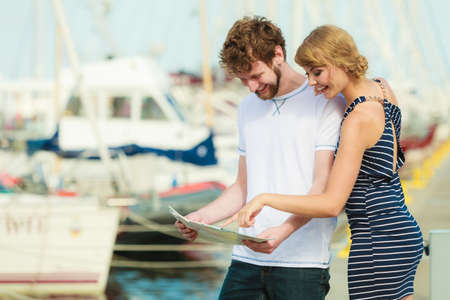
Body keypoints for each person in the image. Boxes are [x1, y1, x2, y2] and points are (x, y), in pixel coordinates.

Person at [224, 25, 424, 300]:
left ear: (341, 61)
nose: (313, 83)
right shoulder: (382, 89)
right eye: (308, 74)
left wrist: (264, 198)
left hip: (376, 239)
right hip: (401, 230)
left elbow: (331, 204)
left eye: (317, 72)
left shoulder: (357, 119)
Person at [175, 17, 344, 300]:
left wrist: (283, 230)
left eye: (255, 75)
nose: (251, 87)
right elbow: (242, 186)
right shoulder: (246, 109)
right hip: (246, 260)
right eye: (242, 80)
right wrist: (201, 218)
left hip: (301, 263)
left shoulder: (324, 101)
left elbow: (321, 188)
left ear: (278, 54)